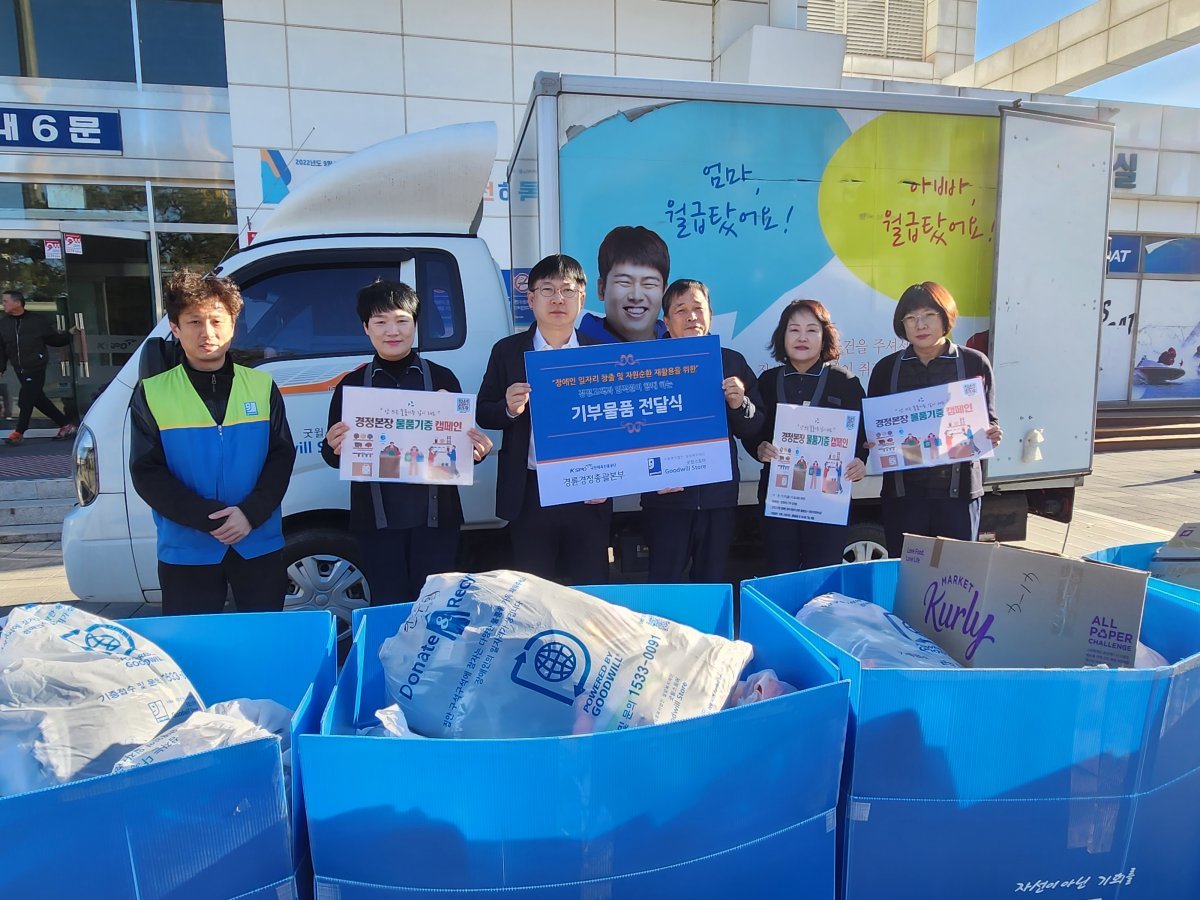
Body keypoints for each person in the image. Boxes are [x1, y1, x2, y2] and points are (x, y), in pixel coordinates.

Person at [130, 271, 295, 615]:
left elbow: (281, 457)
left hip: (257, 542)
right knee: (194, 648)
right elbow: (147, 472)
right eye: (194, 321)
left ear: (233, 325)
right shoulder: (153, 392)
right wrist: (210, 518)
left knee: (261, 642)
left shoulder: (261, 387)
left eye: (217, 321)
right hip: (187, 547)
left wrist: (249, 514)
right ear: (174, 328)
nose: (207, 333)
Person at [321, 279, 492, 605]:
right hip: (377, 523)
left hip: (436, 521)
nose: (392, 331)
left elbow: (459, 447)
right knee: (389, 606)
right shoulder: (352, 386)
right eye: (380, 322)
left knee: (435, 607)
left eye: (401, 320)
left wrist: (477, 450)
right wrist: (333, 446)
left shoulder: (442, 378)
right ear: (365, 328)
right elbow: (333, 456)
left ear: (415, 325)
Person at [477, 254, 611, 584]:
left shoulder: (599, 354)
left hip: (587, 490)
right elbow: (483, 411)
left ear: (582, 298)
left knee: (587, 588)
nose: (557, 299)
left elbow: (616, 425)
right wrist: (508, 408)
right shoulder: (507, 351)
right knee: (534, 589)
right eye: (547, 290)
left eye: (567, 291)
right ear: (531, 298)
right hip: (529, 491)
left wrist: (610, 478)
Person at [866, 281, 1003, 558]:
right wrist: (872, 441)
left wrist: (993, 433)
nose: (920, 325)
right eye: (911, 318)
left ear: (945, 317)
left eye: (928, 315)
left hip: (959, 497)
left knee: (957, 577)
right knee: (907, 576)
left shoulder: (973, 363)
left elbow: (989, 419)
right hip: (904, 499)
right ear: (902, 325)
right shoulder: (886, 370)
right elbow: (875, 427)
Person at [640, 279, 763, 583]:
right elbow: (630, 433)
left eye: (698, 308)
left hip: (717, 498)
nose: (691, 316)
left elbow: (755, 427)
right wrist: (650, 475)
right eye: (681, 310)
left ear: (710, 314)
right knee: (664, 585)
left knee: (712, 581)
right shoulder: (646, 364)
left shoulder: (731, 361)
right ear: (666, 322)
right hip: (666, 498)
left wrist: (740, 403)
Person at [748, 299, 868, 573]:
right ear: (782, 336)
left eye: (812, 330)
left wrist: (861, 461)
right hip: (779, 502)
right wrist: (759, 447)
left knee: (822, 576)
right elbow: (754, 430)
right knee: (781, 573)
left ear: (825, 336)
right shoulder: (767, 382)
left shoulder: (845, 382)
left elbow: (862, 434)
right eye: (794, 330)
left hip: (828, 503)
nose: (802, 337)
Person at [0, 289, 76, 445]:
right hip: (19, 368)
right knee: (38, 399)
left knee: (25, 399)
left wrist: (69, 334)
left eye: (6, 301)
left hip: (35, 367)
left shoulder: (37, 321)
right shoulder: (4, 324)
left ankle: (19, 432)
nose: (3, 304)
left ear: (17, 302)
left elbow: (54, 340)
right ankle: (66, 425)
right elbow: (2, 348)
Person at [577, 225, 670, 344]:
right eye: (624, 282)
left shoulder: (682, 348)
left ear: (664, 293)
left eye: (649, 284)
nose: (636, 296)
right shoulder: (573, 348)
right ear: (601, 289)